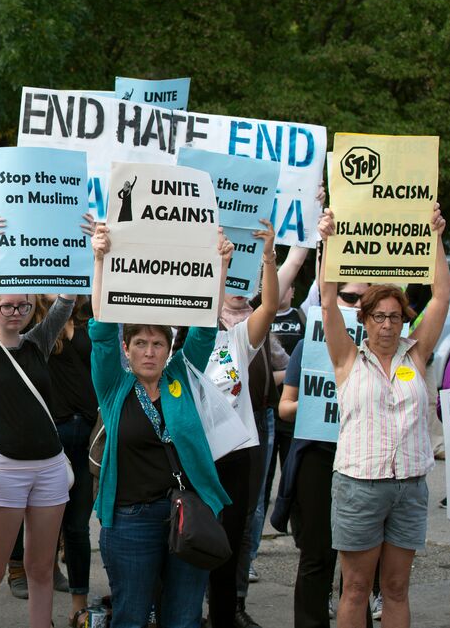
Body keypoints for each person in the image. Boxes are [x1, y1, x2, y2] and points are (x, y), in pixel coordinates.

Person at [89, 222, 234, 628]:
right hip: (130, 521)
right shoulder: (114, 385)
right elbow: (100, 331)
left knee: (183, 619)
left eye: (158, 344)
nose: (149, 352)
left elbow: (205, 330)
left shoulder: (180, 378)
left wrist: (219, 267)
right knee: (131, 616)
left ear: (169, 349)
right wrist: (100, 260)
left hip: (188, 513)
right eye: (140, 343)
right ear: (127, 348)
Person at [317, 205, 448, 628]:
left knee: (396, 589)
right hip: (359, 486)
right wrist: (329, 242)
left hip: (409, 486)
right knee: (354, 589)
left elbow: (442, 296)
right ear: (365, 320)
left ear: (403, 319)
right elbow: (325, 301)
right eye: (379, 317)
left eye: (395, 316)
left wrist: (437, 238)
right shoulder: (347, 359)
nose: (388, 326)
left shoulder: (418, 354)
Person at [0, 212, 93, 628]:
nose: (15, 312)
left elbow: (68, 301)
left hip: (51, 468)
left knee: (40, 569)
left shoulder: (38, 343)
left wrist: (84, 245)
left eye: (22, 305)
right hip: (3, 469)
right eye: (8, 306)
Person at [188, 219, 278, 628]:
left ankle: (223, 616)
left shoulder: (240, 338)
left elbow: (271, 307)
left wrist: (270, 257)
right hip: (195, 455)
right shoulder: (183, 339)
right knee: (190, 541)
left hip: (239, 453)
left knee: (227, 543)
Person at [272, 282, 367, 628]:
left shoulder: (379, 348)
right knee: (318, 555)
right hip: (319, 457)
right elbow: (284, 408)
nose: (357, 305)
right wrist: (315, 404)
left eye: (364, 298)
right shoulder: (308, 348)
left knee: (360, 564)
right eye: (350, 297)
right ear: (332, 299)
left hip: (365, 461)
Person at [33, 295, 99, 627]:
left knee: (77, 527)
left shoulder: (91, 320)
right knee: (46, 528)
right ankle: (40, 610)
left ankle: (79, 606)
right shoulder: (36, 324)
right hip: (51, 437)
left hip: (88, 436)